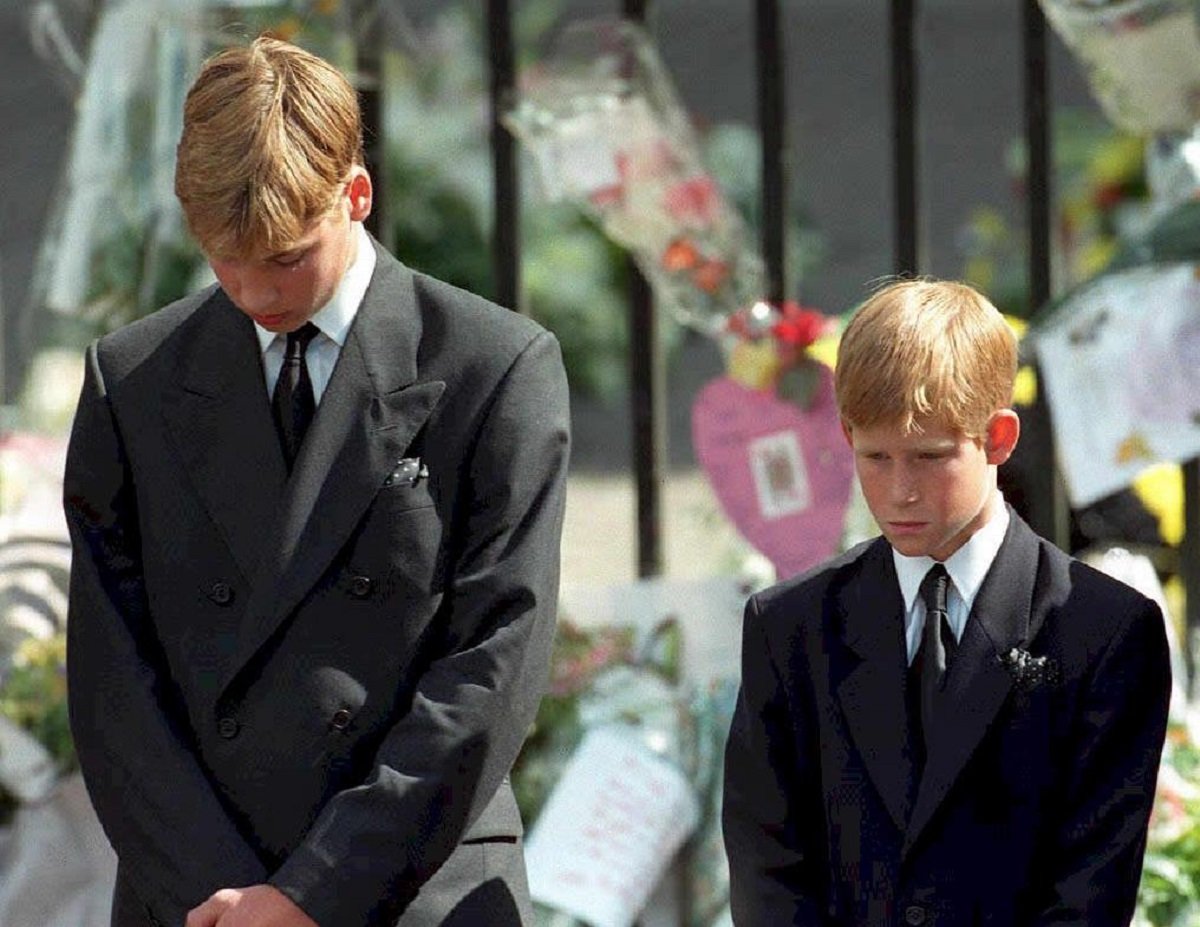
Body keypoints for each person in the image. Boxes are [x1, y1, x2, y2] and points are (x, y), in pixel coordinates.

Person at [63, 36, 569, 927]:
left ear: (356, 196)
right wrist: (224, 899)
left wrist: (312, 893)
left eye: (288, 256)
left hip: (413, 887)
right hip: (197, 899)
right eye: (227, 258)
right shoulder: (131, 381)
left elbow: (493, 663)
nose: (257, 290)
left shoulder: (495, 368)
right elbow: (112, 682)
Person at [721, 278, 1171, 925]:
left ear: (999, 438)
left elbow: (1091, 889)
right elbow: (769, 869)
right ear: (846, 433)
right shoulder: (789, 629)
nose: (899, 490)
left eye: (930, 457)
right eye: (874, 456)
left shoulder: (1102, 630)